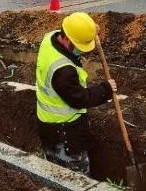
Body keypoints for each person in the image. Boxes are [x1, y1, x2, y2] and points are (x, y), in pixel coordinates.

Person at [35, 12, 116, 175]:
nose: (82, 50)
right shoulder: (63, 70)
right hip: (64, 133)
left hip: (46, 125)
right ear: (66, 39)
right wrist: (106, 89)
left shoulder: (49, 38)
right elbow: (80, 98)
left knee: (54, 173)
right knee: (76, 176)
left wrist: (90, 32)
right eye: (79, 45)